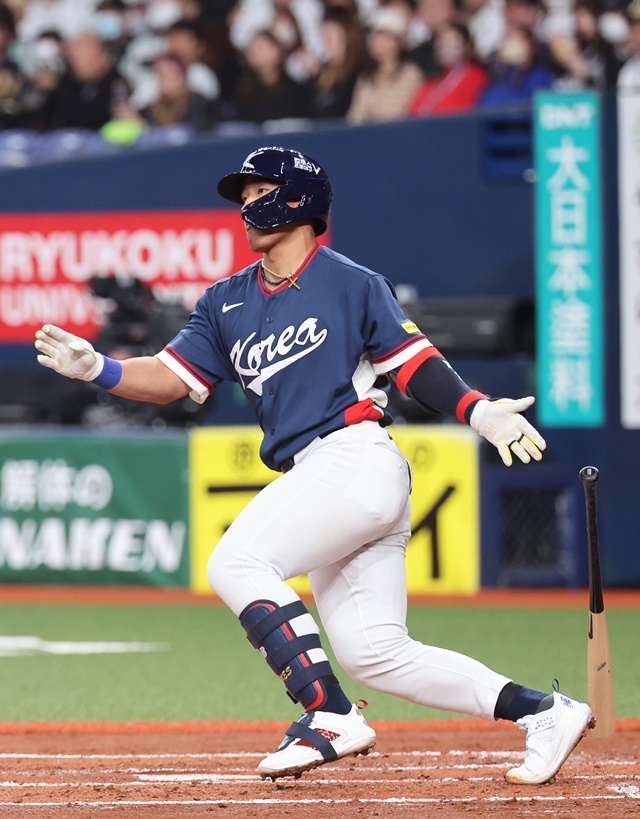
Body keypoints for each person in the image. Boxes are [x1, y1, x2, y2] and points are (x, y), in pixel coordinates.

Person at [35, 145, 594, 784]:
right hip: (321, 477)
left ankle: (327, 712)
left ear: (298, 200)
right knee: (377, 653)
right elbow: (168, 377)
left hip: (355, 460)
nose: (246, 206)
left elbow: (412, 363)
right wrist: (98, 368)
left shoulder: (352, 283)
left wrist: (477, 409)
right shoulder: (225, 300)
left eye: (257, 192)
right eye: (242, 197)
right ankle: (544, 711)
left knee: (237, 560)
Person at [347, 6, 424, 123]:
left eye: (381, 34)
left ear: (398, 40)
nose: (374, 40)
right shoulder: (365, 77)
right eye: (371, 35)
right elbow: (354, 118)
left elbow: (396, 113)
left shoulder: (410, 74)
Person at [409, 22, 489, 116]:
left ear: (466, 46)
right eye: (441, 42)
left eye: (450, 41)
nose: (444, 47)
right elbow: (415, 108)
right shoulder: (433, 81)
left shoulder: (476, 77)